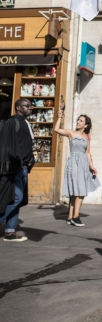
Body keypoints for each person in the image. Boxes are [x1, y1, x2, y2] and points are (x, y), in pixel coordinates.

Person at [55, 109, 100, 227]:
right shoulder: (71, 133)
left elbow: (88, 152)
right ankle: (76, 216)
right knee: (79, 190)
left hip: (84, 163)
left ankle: (70, 217)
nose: (78, 122)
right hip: (73, 162)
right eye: (78, 120)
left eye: (81, 121)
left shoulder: (87, 136)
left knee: (78, 190)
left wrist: (92, 166)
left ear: (85, 125)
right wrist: (60, 117)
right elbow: (56, 130)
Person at [0, 99, 35, 242]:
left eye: (30, 105)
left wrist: (31, 159)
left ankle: (10, 231)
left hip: (24, 168)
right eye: (27, 106)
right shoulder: (11, 122)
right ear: (18, 108)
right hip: (14, 168)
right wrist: (16, 161)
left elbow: (26, 144)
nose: (30, 108)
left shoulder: (26, 123)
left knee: (17, 200)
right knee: (16, 198)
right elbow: (5, 146)